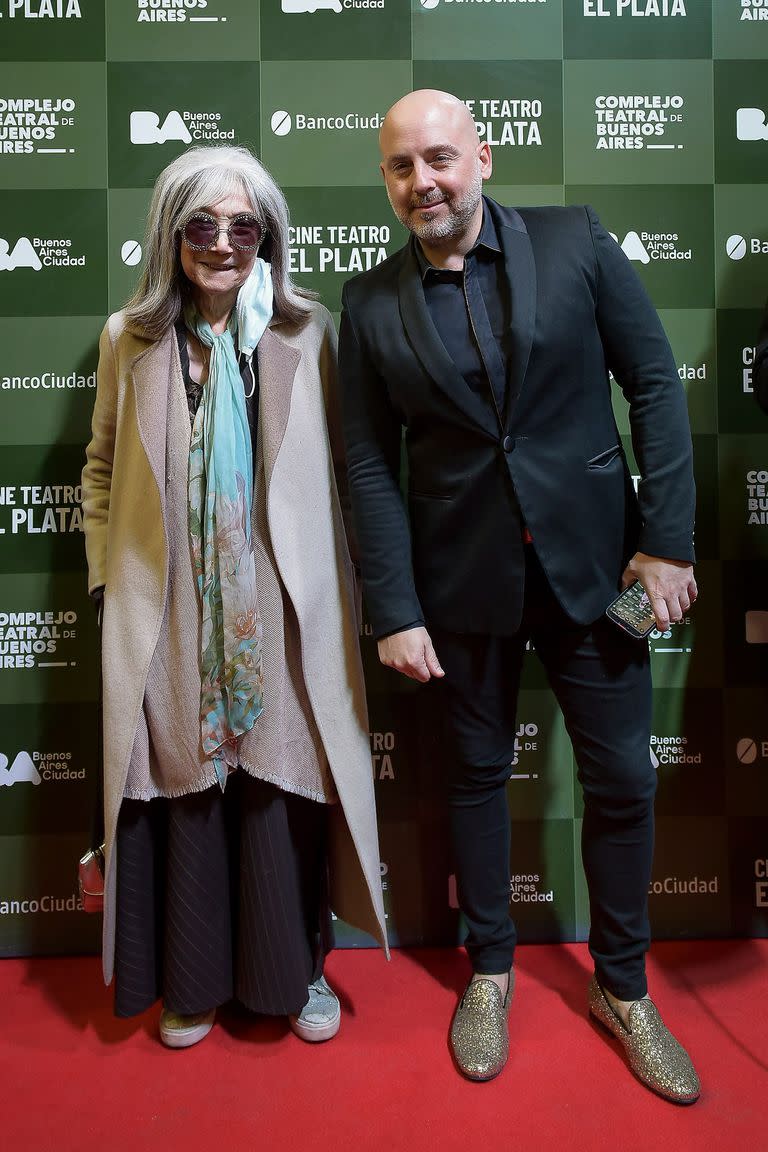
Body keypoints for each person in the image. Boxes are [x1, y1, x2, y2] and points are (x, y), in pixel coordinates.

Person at [338, 90, 700, 1101]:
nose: (427, 182)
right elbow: (369, 466)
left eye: (442, 159)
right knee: (475, 780)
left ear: (483, 158)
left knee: (624, 781)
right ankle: (488, 971)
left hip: (598, 575)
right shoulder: (367, 304)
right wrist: (395, 608)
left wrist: (667, 543)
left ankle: (622, 987)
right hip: (461, 588)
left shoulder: (575, 240)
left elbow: (657, 385)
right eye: (404, 168)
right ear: (387, 181)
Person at [82, 144, 386, 1049]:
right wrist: (110, 578)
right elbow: (99, 469)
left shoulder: (307, 336)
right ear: (172, 237)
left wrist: (352, 599)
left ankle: (294, 975)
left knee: (277, 789)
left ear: (269, 236)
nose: (223, 243)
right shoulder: (127, 339)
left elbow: (347, 471)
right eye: (201, 226)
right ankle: (193, 980)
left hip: (282, 615)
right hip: (170, 612)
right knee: (184, 786)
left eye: (243, 225)